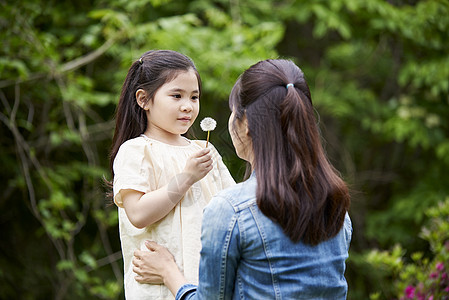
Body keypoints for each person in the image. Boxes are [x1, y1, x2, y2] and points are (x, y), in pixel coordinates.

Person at [132, 59, 352, 299]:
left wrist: (168, 272)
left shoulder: (232, 209)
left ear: (245, 124)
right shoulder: (336, 208)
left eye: (233, 111)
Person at [109, 50, 235, 300]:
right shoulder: (136, 151)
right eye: (176, 96)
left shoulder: (204, 151)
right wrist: (186, 177)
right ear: (144, 99)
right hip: (158, 288)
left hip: (208, 283)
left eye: (194, 97)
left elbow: (233, 206)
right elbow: (138, 213)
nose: (187, 106)